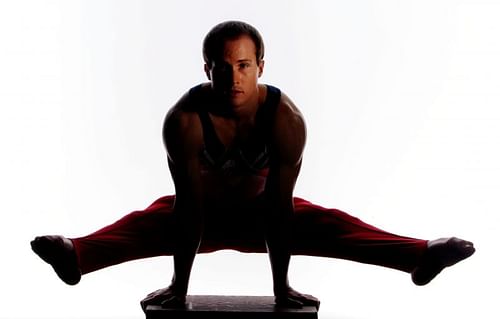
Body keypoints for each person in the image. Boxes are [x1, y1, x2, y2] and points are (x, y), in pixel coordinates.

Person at [31, 20, 475, 312]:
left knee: (329, 223)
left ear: (260, 65)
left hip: (264, 214)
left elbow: (279, 212)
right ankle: (78, 255)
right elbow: (188, 211)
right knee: (150, 221)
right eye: (222, 68)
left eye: (243, 65)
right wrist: (178, 290)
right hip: (199, 215)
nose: (233, 77)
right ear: (207, 69)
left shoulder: (286, 121)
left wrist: (282, 291)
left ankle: (419, 256)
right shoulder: (184, 121)